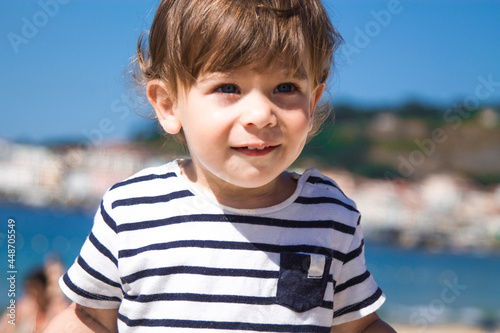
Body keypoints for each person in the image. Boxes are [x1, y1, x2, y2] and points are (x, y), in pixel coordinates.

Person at [45, 0, 396, 332]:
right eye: (228, 87)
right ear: (169, 105)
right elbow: (89, 318)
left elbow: (359, 325)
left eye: (285, 87)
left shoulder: (329, 216)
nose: (261, 115)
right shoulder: (132, 211)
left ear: (313, 100)